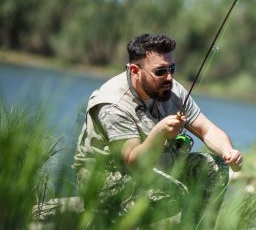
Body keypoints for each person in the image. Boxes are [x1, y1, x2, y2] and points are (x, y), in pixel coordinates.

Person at [73, 33, 242, 225]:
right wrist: (160, 132)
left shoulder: (171, 88)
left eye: (173, 68)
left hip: (153, 167)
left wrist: (228, 152)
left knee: (215, 166)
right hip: (104, 177)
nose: (169, 77)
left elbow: (207, 130)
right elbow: (131, 160)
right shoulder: (113, 104)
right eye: (160, 72)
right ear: (135, 70)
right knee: (173, 194)